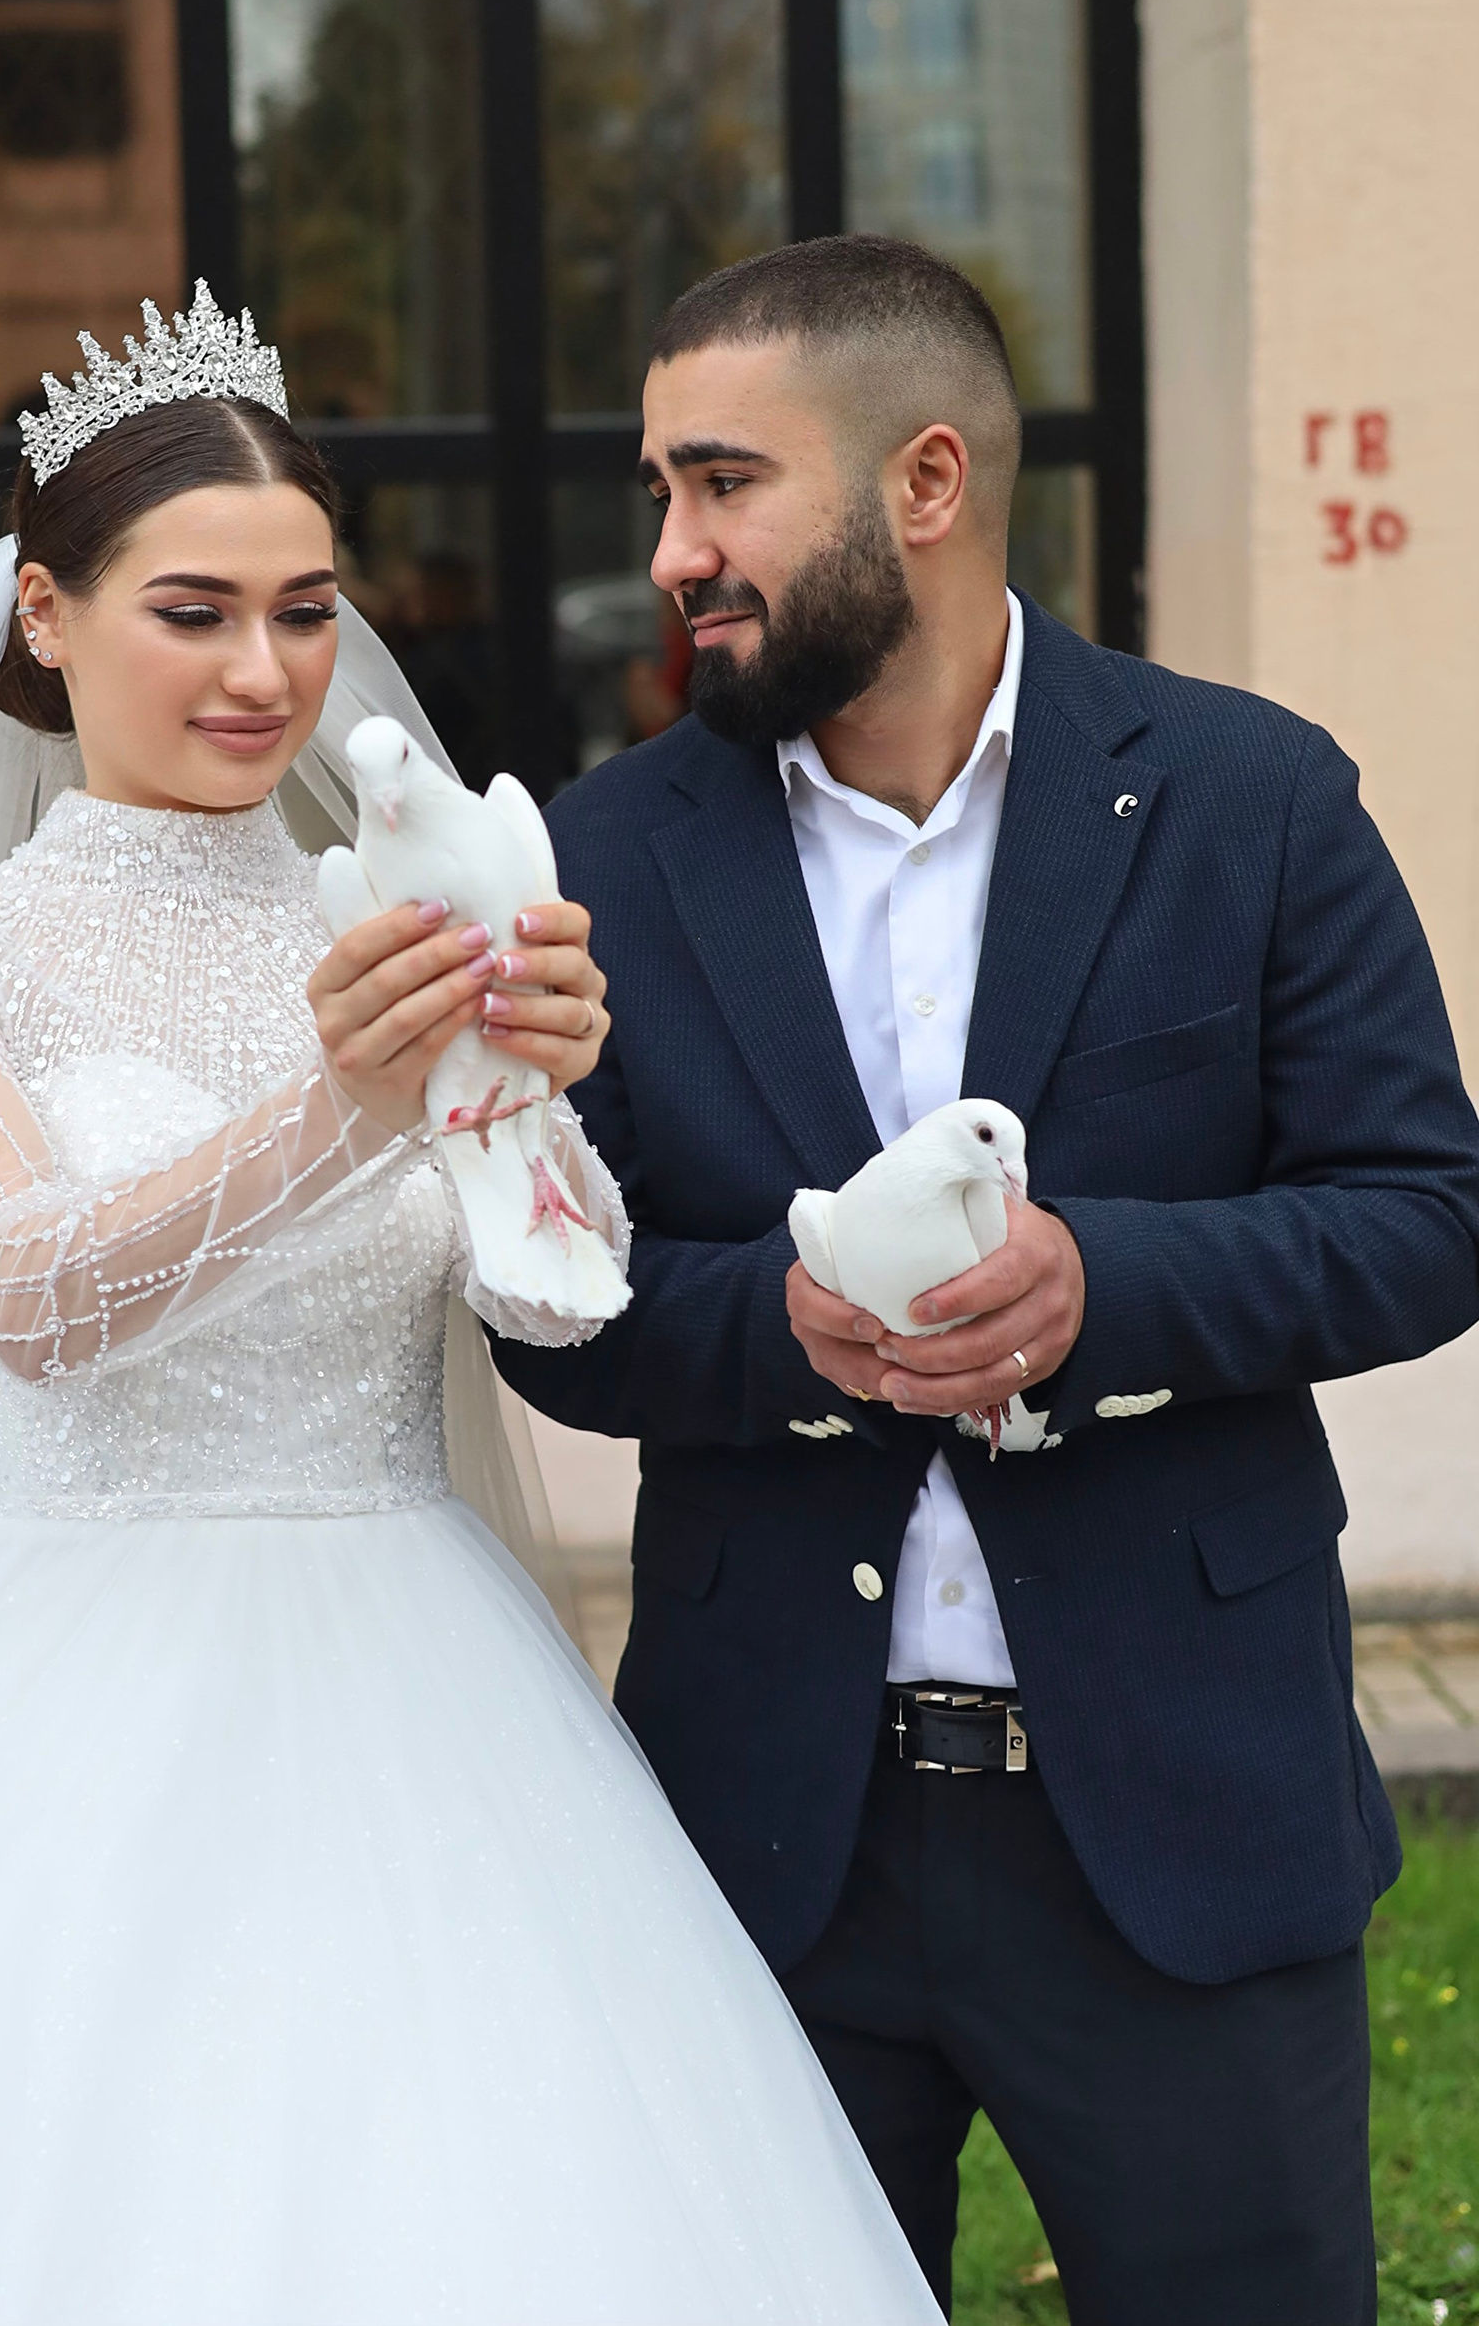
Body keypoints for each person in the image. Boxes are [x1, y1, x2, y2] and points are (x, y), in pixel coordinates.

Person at [0, 285, 940, 2325]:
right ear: (46, 615)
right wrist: (346, 1106)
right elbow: (25, 1289)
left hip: (425, 1669)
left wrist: (530, 1102)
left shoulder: (400, 915)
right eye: (193, 612)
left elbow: (560, 1313)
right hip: (69, 1683)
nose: (264, 669)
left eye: (303, 611)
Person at [493, 233, 1479, 2325]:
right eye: (661, 490)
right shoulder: (605, 854)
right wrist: (775, 1326)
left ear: (925, 481)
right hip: (768, 1833)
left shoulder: (1252, 796)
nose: (671, 553)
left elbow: (1425, 1211)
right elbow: (557, 1305)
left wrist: (1100, 1287)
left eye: (723, 483)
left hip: (1185, 1810)